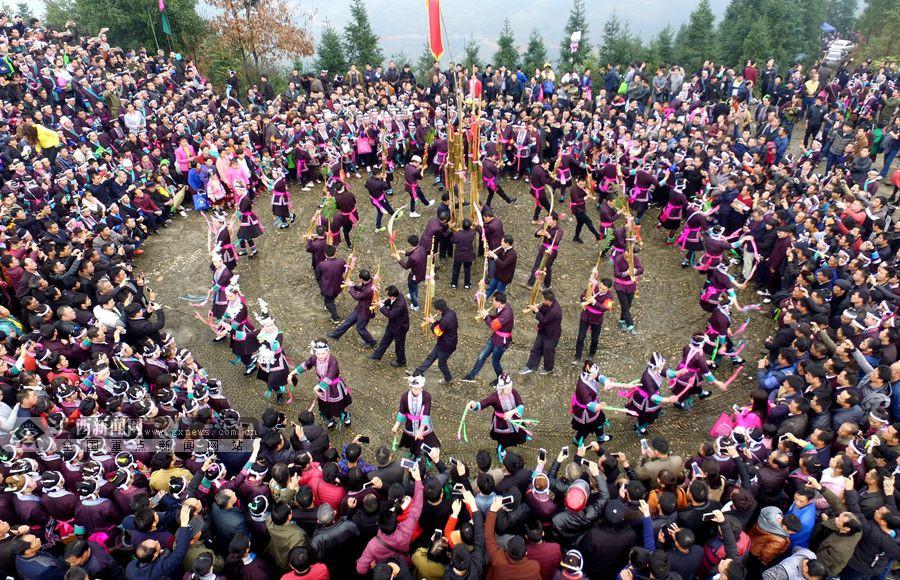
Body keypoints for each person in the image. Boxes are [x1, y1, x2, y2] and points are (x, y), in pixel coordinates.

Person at [288, 339, 352, 429]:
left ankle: (345, 417)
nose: (321, 356)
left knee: (337, 407)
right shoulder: (315, 358)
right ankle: (330, 419)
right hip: (321, 387)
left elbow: (330, 376)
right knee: (324, 407)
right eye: (318, 353)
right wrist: (292, 373)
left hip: (334, 388)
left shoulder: (333, 361)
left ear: (328, 351)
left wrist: (318, 387)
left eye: (323, 353)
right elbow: (306, 365)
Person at [466, 373, 530, 459]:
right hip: (502, 423)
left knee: (520, 431)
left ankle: (523, 437)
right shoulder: (494, 397)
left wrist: (512, 412)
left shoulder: (514, 392)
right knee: (504, 439)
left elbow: (521, 405)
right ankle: (501, 449)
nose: (510, 390)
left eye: (510, 387)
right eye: (507, 389)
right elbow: (483, 404)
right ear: (501, 388)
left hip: (515, 418)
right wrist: (474, 405)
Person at [461, 292, 514, 383]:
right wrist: (488, 316)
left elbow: (493, 325)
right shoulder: (501, 307)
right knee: (482, 355)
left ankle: (501, 379)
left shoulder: (506, 313)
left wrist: (486, 316)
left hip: (501, 341)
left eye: (494, 301)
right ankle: (471, 376)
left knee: (495, 361)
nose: (492, 303)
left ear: (499, 302)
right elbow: (495, 319)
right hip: (495, 337)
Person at [412, 298, 457, 384]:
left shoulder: (445, 320)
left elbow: (437, 332)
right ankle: (417, 373)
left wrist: (433, 323)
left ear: (439, 310)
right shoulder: (451, 313)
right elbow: (442, 324)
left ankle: (448, 379)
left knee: (441, 364)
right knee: (431, 357)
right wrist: (435, 322)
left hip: (446, 346)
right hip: (443, 342)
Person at [392, 376, 440, 456]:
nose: (418, 391)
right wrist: (395, 426)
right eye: (415, 389)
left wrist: (420, 431)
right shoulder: (404, 396)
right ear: (410, 387)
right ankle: (413, 452)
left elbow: (426, 414)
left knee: (424, 440)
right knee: (411, 440)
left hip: (423, 423)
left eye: (420, 389)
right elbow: (402, 412)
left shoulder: (426, 396)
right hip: (410, 423)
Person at [329, 269, 377, 349]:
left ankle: (371, 342)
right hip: (360, 308)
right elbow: (361, 288)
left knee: (360, 328)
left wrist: (350, 288)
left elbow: (357, 297)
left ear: (361, 279)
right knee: (348, 321)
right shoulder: (369, 282)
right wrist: (353, 286)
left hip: (365, 312)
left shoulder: (369, 290)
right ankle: (335, 334)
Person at [519, 289, 562, 376]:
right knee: (536, 348)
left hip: (552, 334)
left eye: (543, 299)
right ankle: (531, 366)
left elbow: (544, 320)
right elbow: (541, 312)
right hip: (543, 331)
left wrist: (536, 311)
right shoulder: (547, 304)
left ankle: (548, 368)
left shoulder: (555, 310)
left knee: (548, 352)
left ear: (548, 300)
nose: (542, 300)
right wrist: (535, 309)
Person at [573, 275, 614, 363]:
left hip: (597, 319)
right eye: (600, 287)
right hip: (585, 316)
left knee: (594, 338)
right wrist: (585, 299)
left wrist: (595, 302)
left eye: (603, 289)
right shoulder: (593, 288)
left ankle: (591, 354)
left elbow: (606, 308)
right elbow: (582, 295)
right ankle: (577, 356)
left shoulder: (610, 296)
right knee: (580, 337)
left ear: (608, 289)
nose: (600, 290)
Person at [370, 285, 409, 368]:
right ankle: (377, 355)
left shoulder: (400, 305)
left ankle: (401, 361)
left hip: (400, 328)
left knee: (399, 345)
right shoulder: (396, 295)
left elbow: (390, 315)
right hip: (393, 324)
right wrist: (383, 302)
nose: (387, 297)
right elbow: (389, 301)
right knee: (385, 340)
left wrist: (381, 306)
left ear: (393, 296)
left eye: (388, 296)